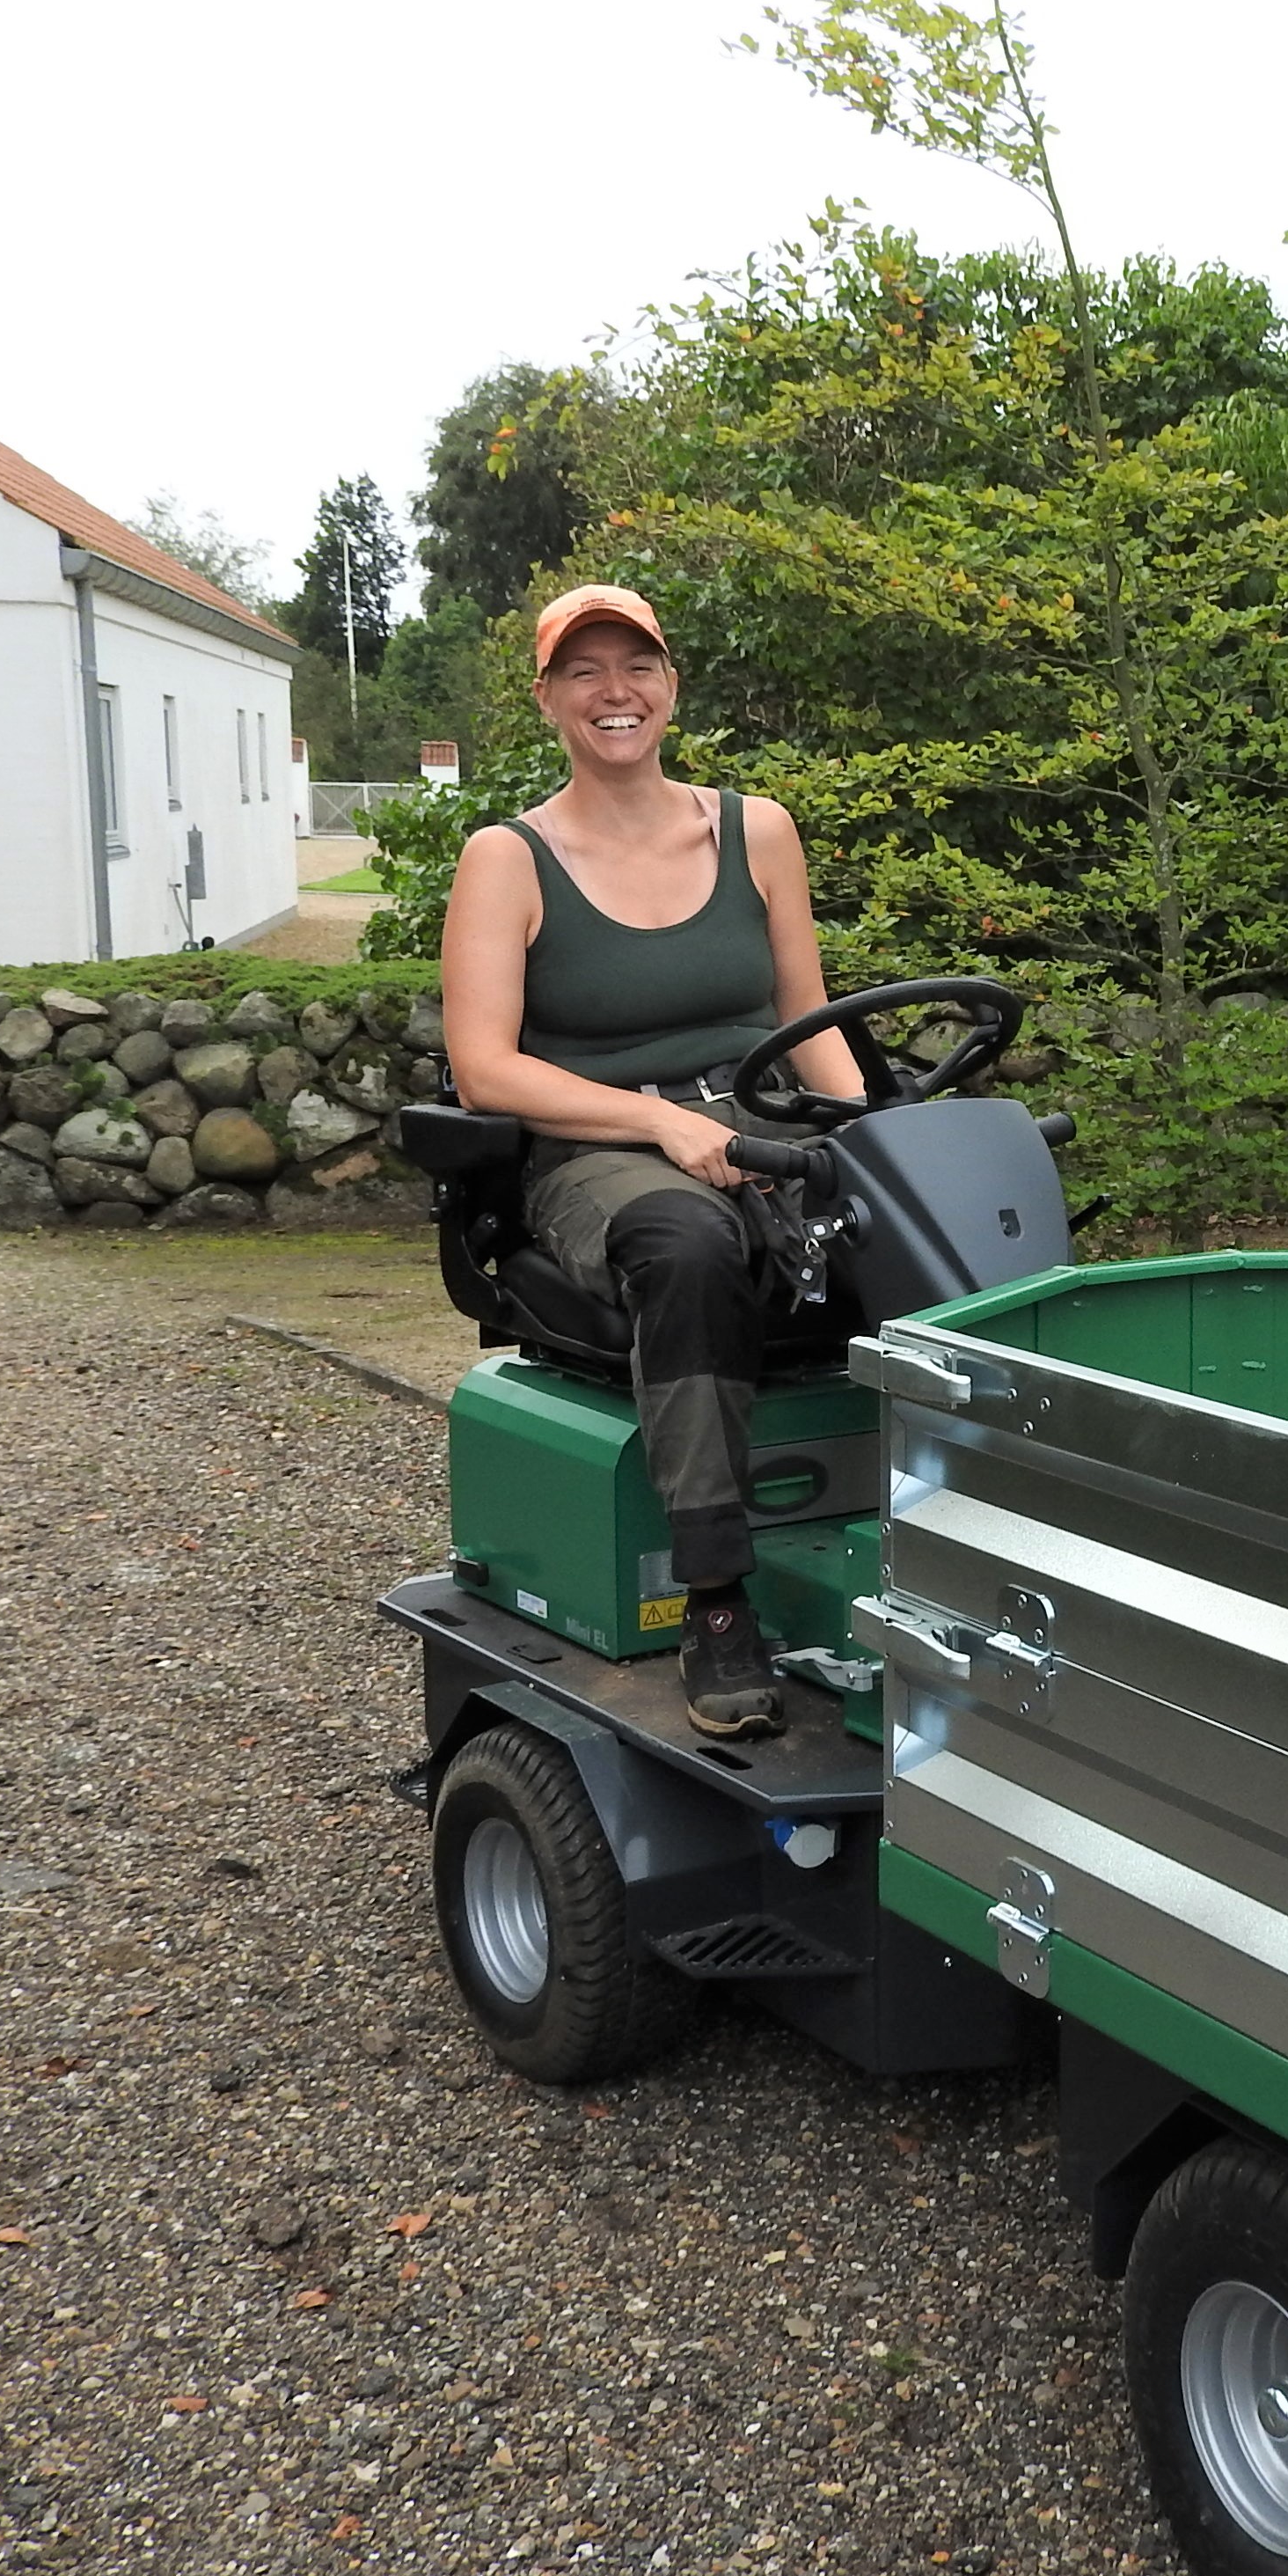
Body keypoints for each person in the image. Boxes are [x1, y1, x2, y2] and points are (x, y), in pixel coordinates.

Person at [437, 584, 862, 1740]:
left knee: (939, 1221)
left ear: (672, 687)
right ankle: (717, 1596)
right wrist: (661, 1123)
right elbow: (486, 1070)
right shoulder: (509, 857)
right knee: (688, 1245)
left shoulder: (757, 830)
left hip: (761, 1116)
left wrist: (879, 1142)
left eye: (637, 667)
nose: (614, 692)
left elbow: (807, 1014)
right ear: (547, 700)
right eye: (584, 672)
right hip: (595, 1152)